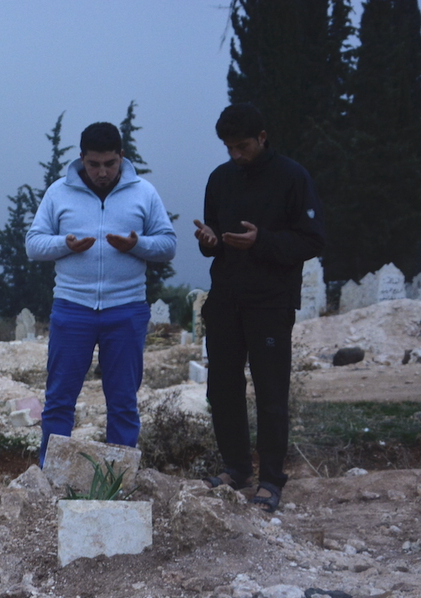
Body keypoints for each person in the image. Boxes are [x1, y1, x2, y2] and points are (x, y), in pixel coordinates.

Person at [193, 103, 325, 513]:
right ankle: (236, 469)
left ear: (262, 138)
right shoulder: (220, 179)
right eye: (229, 148)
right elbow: (213, 236)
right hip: (225, 299)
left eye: (243, 146)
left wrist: (262, 240)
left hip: (271, 301)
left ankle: (270, 479)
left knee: (270, 392)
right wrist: (209, 241)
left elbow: (312, 239)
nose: (236, 154)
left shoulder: (292, 177)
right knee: (222, 389)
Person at [27, 122, 176, 467]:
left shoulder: (144, 193)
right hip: (72, 307)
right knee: (60, 398)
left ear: (122, 156)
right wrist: (64, 244)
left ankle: (118, 478)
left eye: (110, 163)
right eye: (94, 164)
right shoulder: (59, 192)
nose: (103, 172)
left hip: (126, 309)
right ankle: (52, 473)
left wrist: (137, 244)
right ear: (81, 159)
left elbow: (168, 245)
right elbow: (34, 244)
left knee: (122, 401)